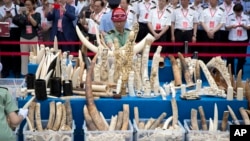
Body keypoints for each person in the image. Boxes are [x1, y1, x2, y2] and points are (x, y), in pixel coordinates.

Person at [225, 3, 250, 75]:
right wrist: (232, 26)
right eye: (236, 12)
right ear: (234, 11)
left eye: (239, 12)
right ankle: (230, 73)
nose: (238, 13)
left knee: (241, 58)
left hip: (243, 39)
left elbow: (249, 27)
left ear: (242, 11)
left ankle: (239, 73)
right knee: (230, 58)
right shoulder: (230, 17)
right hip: (232, 39)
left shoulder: (246, 17)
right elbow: (226, 27)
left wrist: (244, 26)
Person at [0, 0, 22, 78]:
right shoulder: (1, 8)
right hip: (4, 28)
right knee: (4, 51)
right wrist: (5, 17)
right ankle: (5, 71)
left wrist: (12, 17)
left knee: (16, 51)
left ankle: (17, 71)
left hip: (14, 30)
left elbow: (20, 21)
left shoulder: (17, 7)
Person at [20, 0, 41, 76]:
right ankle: (25, 75)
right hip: (23, 37)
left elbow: (35, 24)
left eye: (29, 5)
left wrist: (29, 15)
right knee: (24, 57)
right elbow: (19, 23)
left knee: (34, 57)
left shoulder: (37, 14)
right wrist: (21, 15)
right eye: (26, 5)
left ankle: (34, 74)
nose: (27, 7)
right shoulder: (22, 14)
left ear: (33, 5)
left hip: (33, 37)